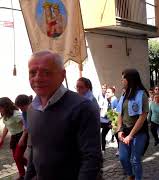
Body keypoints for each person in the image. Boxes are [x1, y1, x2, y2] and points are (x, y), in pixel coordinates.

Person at [25, 50, 102, 179]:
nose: (37, 78)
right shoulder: (32, 108)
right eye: (33, 72)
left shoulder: (82, 107)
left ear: (62, 75)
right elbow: (34, 149)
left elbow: (91, 159)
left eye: (46, 72)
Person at [116, 69, 149, 180]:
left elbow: (143, 117)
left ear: (130, 79)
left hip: (139, 132)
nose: (122, 80)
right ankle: (131, 175)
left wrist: (131, 135)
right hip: (125, 130)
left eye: (123, 78)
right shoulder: (124, 93)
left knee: (135, 160)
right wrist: (120, 130)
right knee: (123, 158)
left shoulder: (142, 94)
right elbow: (119, 113)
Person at [0, 97, 28, 180]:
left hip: (22, 135)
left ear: (6, 106)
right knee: (17, 158)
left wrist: (22, 138)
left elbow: (26, 126)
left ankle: (29, 170)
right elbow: (7, 126)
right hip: (14, 137)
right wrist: (2, 138)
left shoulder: (16, 114)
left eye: (0, 108)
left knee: (17, 156)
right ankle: (24, 174)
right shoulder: (5, 115)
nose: (0, 110)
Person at [101, 86, 118, 152]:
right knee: (103, 135)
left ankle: (119, 150)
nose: (107, 93)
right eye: (106, 92)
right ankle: (103, 150)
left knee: (116, 136)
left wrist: (112, 123)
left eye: (108, 92)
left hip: (113, 122)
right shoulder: (107, 100)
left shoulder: (114, 101)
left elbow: (116, 114)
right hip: (108, 121)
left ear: (113, 94)